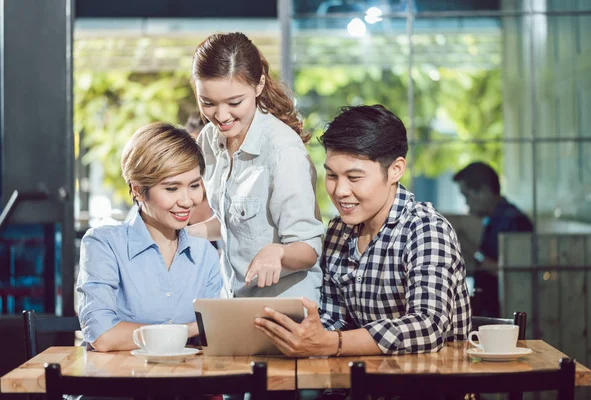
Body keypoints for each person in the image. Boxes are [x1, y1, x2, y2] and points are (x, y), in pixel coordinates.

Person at [254, 105, 471, 357]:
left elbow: (428, 326)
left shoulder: (425, 229)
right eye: (332, 175)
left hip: (432, 385)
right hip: (363, 383)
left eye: (354, 178)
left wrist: (331, 343)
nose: (339, 191)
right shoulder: (338, 230)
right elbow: (333, 318)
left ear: (395, 170)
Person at [188, 32, 323, 302]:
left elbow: (309, 248)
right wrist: (180, 235)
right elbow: (233, 221)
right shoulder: (209, 139)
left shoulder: (283, 151)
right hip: (235, 300)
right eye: (208, 103)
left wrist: (279, 252)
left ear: (259, 85)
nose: (221, 116)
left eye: (234, 102)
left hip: (286, 306)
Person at [77, 122, 222, 351]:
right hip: (119, 382)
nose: (186, 200)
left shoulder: (205, 253)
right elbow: (103, 336)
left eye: (194, 185)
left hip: (187, 383)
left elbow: (218, 335)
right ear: (137, 189)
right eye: (172, 189)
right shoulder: (104, 244)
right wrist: (192, 328)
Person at [453, 161, 533, 317]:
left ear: (484, 191)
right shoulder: (495, 219)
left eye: (467, 195)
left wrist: (473, 251)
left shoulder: (512, 220)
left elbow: (511, 272)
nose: (466, 203)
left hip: (506, 316)